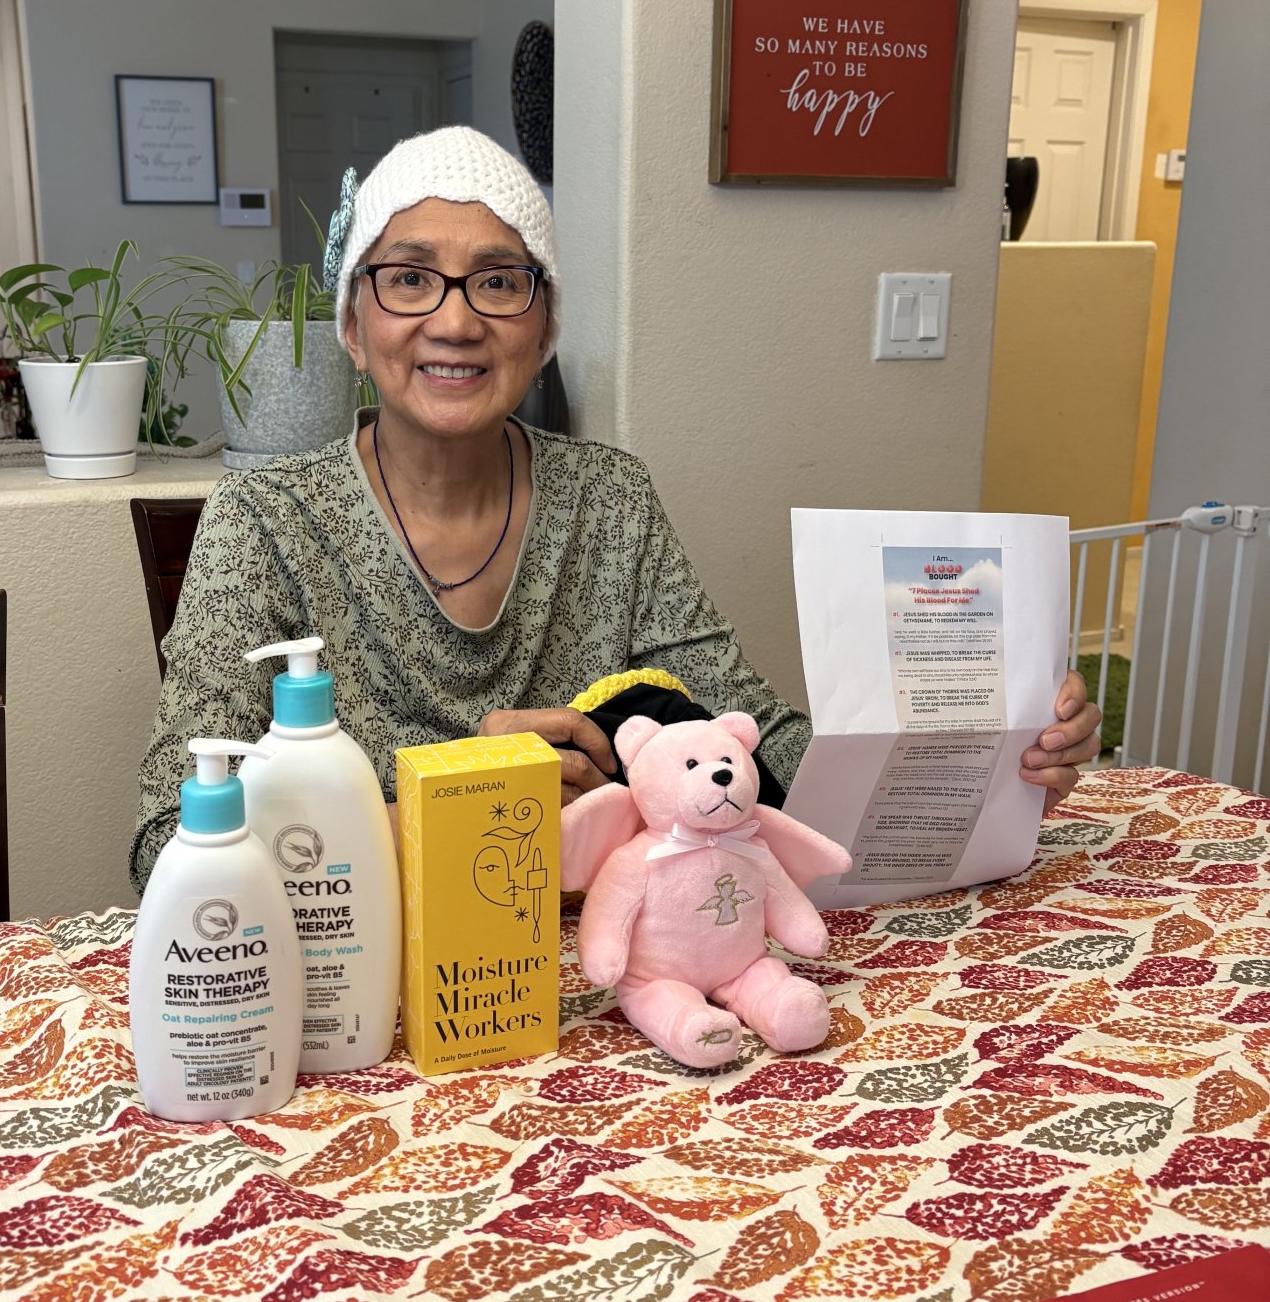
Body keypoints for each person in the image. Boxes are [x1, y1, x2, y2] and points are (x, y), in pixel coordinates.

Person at [132, 128, 1100, 893]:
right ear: (353, 322)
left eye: (499, 281)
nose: (456, 320)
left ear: (545, 327)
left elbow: (757, 740)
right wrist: (465, 800)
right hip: (365, 993)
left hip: (616, 971)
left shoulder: (609, 501)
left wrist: (983, 761)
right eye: (409, 277)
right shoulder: (264, 521)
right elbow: (165, 839)